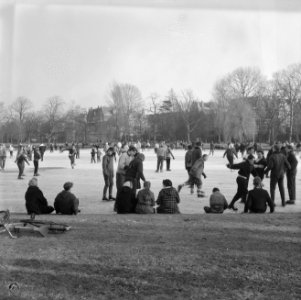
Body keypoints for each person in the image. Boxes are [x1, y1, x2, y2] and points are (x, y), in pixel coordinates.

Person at [264, 142, 291, 207]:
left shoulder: (272, 156)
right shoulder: (283, 156)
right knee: (281, 188)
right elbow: (289, 166)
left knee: (272, 188)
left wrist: (264, 172)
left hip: (274, 174)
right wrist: (284, 170)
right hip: (281, 174)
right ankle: (283, 202)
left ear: (274, 149)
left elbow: (270, 166)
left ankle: (272, 202)